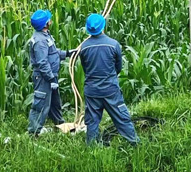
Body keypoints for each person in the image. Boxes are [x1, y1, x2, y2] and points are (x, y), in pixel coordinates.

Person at [79, 13, 139, 146]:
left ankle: (92, 149)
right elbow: (118, 67)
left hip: (92, 90)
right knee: (122, 118)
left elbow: (85, 68)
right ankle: (135, 145)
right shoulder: (114, 44)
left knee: (92, 121)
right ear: (103, 27)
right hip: (110, 90)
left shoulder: (83, 47)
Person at [27, 8, 74, 136]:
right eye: (49, 20)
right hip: (44, 78)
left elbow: (53, 53)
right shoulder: (40, 41)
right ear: (45, 24)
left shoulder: (45, 36)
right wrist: (51, 78)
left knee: (54, 103)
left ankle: (60, 124)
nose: (51, 21)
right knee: (41, 104)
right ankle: (33, 132)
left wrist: (68, 53)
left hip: (50, 76)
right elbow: (42, 62)